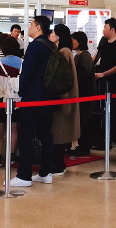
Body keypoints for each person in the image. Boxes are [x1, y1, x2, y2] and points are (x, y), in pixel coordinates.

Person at [7, 16, 55, 187]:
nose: (29, 27)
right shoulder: (50, 46)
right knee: (45, 134)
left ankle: (24, 176)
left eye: (31, 24)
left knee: (25, 134)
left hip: (33, 98)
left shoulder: (35, 46)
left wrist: (20, 91)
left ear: (38, 27)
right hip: (48, 97)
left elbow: (26, 74)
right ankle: (46, 172)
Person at [0, 36, 22, 168]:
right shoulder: (23, 63)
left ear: (3, 48)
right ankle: (12, 156)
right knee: (14, 128)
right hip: (17, 100)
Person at [48, 24, 79, 175]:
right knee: (59, 132)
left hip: (62, 98)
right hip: (64, 97)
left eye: (53, 32)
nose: (51, 34)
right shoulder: (65, 51)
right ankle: (58, 163)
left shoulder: (63, 52)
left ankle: (58, 165)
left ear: (59, 35)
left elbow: (61, 77)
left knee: (58, 132)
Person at [94, 18, 116, 143]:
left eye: (105, 28)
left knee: (112, 109)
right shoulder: (103, 41)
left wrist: (104, 74)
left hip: (112, 81)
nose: (103, 30)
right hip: (100, 79)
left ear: (112, 29)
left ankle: (113, 137)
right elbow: (97, 56)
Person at [70, 31, 95, 156]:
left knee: (84, 121)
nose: (72, 43)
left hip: (85, 95)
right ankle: (81, 145)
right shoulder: (77, 55)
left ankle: (85, 147)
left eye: (73, 41)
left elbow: (83, 74)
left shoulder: (85, 56)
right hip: (80, 94)